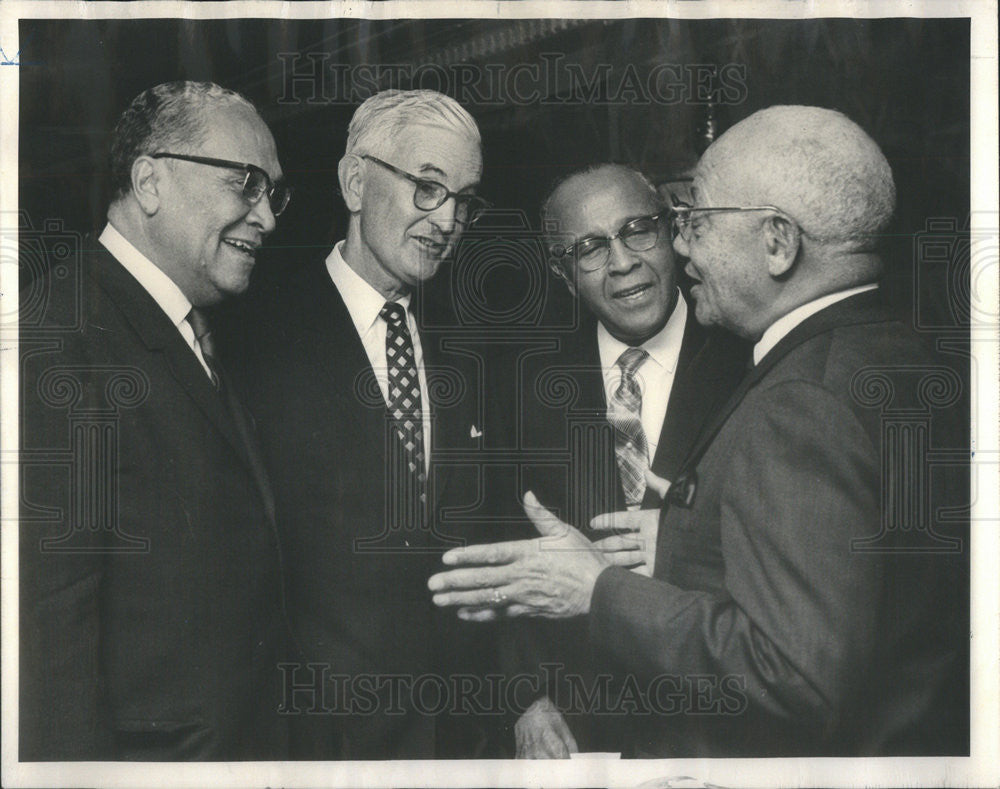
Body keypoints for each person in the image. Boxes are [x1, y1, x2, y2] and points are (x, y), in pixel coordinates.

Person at [429, 105, 969, 756]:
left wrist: (596, 586)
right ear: (561, 271)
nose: (681, 247)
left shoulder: (796, 391)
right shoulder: (895, 352)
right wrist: (686, 539)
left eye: (691, 223)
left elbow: (795, 669)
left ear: (778, 241)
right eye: (592, 247)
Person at [19, 81, 292, 759]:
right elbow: (46, 640)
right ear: (149, 181)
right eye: (247, 184)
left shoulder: (186, 327)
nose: (268, 218)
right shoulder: (55, 336)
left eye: (274, 194)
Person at [239, 89, 494, 759]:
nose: (447, 221)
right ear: (356, 181)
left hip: (455, 744)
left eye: (463, 200)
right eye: (428, 188)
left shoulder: (470, 347)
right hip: (314, 746)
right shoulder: (254, 338)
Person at [503, 163, 746, 757]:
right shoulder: (529, 387)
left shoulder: (749, 360)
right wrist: (526, 697)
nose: (621, 261)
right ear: (565, 275)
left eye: (638, 229)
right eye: (589, 247)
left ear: (674, 233)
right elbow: (505, 555)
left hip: (725, 720)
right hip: (585, 732)